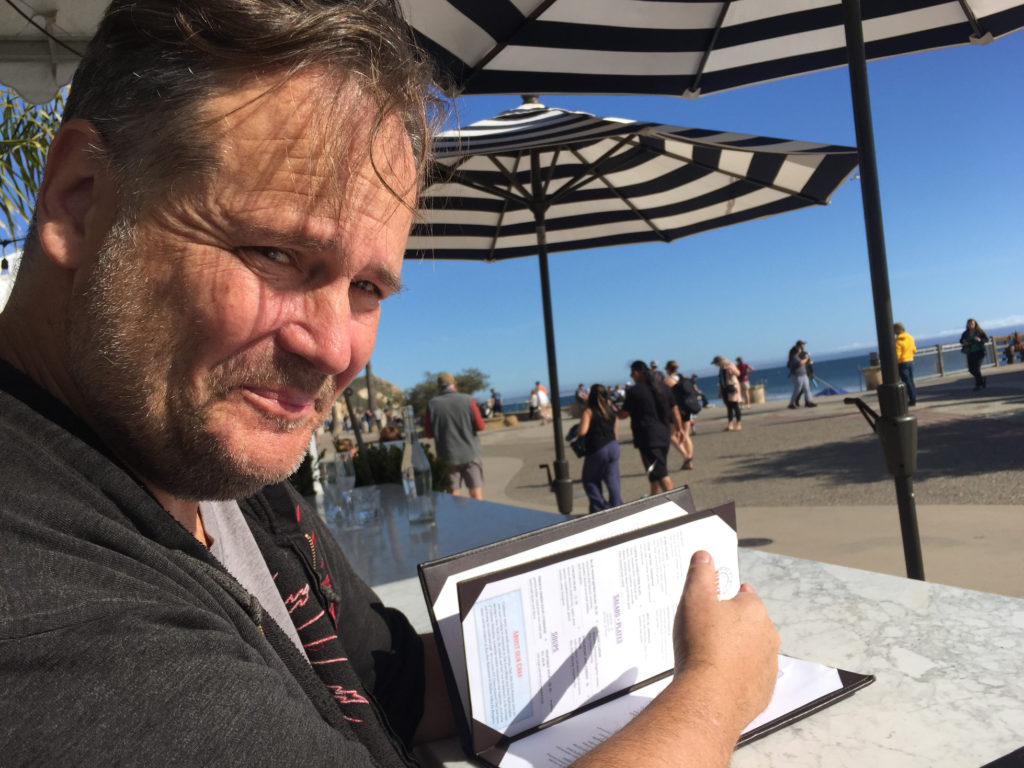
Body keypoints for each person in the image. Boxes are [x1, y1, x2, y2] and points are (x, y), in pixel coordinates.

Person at [0, 1, 779, 764]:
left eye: (368, 289)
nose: (336, 348)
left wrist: (633, 618)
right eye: (274, 253)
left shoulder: (208, 467)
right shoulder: (40, 605)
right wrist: (712, 696)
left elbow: (395, 685)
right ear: (80, 198)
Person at [617, 361, 683, 495]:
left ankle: (675, 505)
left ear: (637, 373)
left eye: (632, 374)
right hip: (664, 434)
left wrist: (615, 412)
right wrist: (679, 428)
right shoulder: (663, 387)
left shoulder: (634, 391)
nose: (632, 377)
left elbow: (624, 414)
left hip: (647, 437)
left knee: (661, 472)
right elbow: (675, 409)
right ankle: (653, 498)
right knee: (654, 469)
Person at [424, 373, 486, 499]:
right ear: (455, 385)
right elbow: (480, 426)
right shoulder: (468, 400)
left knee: (453, 495)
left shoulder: (432, 405)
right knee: (475, 494)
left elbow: (429, 433)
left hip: (447, 456)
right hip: (470, 453)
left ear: (438, 387)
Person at [576, 384, 624, 513]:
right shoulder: (611, 410)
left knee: (590, 479)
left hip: (597, 448)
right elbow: (615, 431)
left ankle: (599, 507)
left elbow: (582, 431)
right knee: (612, 478)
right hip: (613, 446)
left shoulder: (589, 411)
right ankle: (617, 505)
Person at [663, 360, 695, 470]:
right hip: (688, 410)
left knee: (672, 435)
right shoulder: (684, 379)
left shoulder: (667, 380)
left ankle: (686, 456)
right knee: (686, 434)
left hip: (676, 410)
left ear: (668, 369)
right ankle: (689, 460)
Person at [713, 356, 743, 431]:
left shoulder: (730, 365)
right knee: (729, 407)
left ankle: (739, 424)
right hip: (724, 388)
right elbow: (721, 380)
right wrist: (720, 392)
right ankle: (730, 424)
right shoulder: (721, 368)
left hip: (732, 387)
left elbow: (738, 373)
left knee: (735, 406)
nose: (716, 365)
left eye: (716, 363)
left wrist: (731, 369)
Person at [787, 340, 817, 408]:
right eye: (800, 349)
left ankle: (809, 402)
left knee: (807, 389)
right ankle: (792, 403)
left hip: (804, 374)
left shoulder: (800, 355)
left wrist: (810, 370)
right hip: (797, 375)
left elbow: (805, 363)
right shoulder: (793, 356)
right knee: (798, 389)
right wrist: (806, 359)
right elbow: (800, 363)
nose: (801, 350)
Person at [960, 318, 989, 390]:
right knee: (971, 369)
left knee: (976, 368)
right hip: (970, 352)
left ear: (975, 324)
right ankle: (981, 380)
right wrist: (964, 341)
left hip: (980, 352)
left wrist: (980, 340)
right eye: (969, 324)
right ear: (967, 325)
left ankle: (978, 385)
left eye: (972, 324)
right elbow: (961, 340)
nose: (971, 325)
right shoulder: (965, 333)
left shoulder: (979, 331)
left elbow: (986, 339)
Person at [894, 323, 918, 406]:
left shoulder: (897, 341)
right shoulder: (910, 338)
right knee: (911, 381)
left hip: (902, 363)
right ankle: (913, 398)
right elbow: (914, 350)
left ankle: (912, 400)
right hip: (910, 360)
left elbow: (897, 354)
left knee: (906, 382)